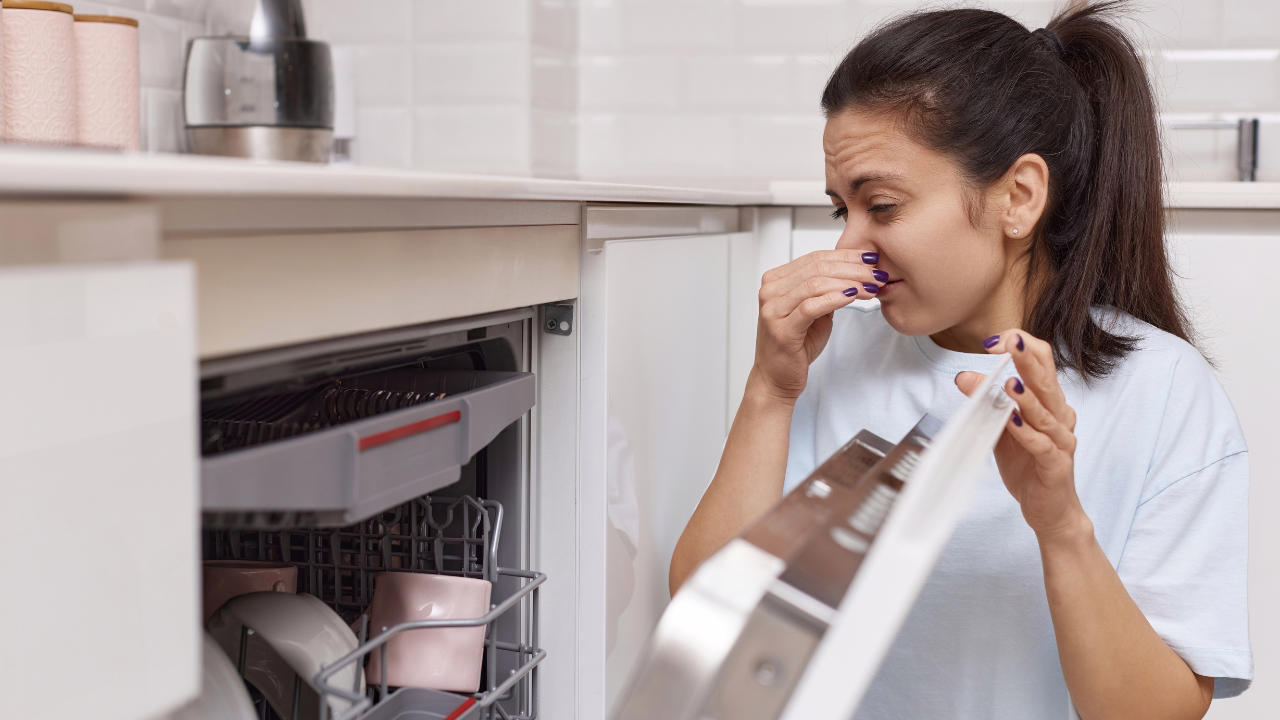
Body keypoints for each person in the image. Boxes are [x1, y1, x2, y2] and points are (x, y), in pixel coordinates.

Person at [668, 2, 1252, 718]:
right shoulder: (830, 358)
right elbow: (708, 631)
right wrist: (769, 392)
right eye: (842, 210)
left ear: (1018, 197)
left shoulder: (1163, 392)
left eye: (883, 206)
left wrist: (1059, 525)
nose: (849, 246)